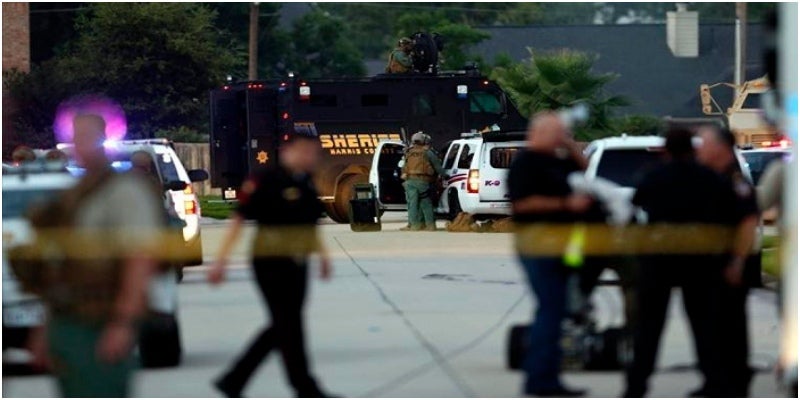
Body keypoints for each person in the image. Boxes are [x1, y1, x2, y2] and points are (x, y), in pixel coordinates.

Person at [24, 114, 161, 397]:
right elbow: (61, 268)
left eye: (87, 137)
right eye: (76, 138)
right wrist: (45, 329)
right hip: (68, 320)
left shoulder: (124, 191)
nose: (80, 144)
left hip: (102, 319)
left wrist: (123, 322)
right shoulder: (73, 196)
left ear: (101, 141)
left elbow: (139, 259)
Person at [623, 127, 753, 397]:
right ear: (692, 149)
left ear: (667, 150)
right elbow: (732, 212)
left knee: (648, 328)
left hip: (657, 262)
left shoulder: (653, 175)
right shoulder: (711, 178)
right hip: (700, 262)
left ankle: (636, 386)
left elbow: (635, 210)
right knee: (704, 326)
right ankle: (714, 382)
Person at [208, 133, 335, 398]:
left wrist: (323, 257)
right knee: (286, 323)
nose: (310, 158)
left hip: (298, 262)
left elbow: (310, 225)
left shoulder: (306, 182)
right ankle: (302, 387)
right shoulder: (267, 179)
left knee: (288, 324)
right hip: (269, 262)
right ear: (288, 151)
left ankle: (236, 380)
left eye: (313, 153)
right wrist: (221, 260)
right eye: (304, 152)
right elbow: (238, 219)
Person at [507, 111, 592, 397]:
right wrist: (566, 204)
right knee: (551, 310)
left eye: (562, 132)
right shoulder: (526, 163)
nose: (559, 137)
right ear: (539, 133)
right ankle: (540, 380)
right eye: (555, 132)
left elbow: (586, 169)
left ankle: (548, 378)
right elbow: (522, 205)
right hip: (537, 243)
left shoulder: (558, 161)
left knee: (557, 310)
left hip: (563, 245)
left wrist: (569, 144)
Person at [695, 125, 759, 397]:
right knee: (714, 326)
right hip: (713, 265)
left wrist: (736, 261)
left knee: (730, 325)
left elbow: (748, 222)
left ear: (720, 148)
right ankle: (716, 382)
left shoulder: (735, 181)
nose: (700, 150)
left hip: (730, 266)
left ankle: (734, 382)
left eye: (705, 144)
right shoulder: (713, 178)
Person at [401, 131, 446, 231]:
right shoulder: (428, 152)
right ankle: (430, 225)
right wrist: (446, 175)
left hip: (409, 181)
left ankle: (414, 225)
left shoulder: (409, 152)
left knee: (412, 204)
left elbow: (404, 167)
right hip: (423, 182)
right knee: (426, 203)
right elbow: (438, 167)